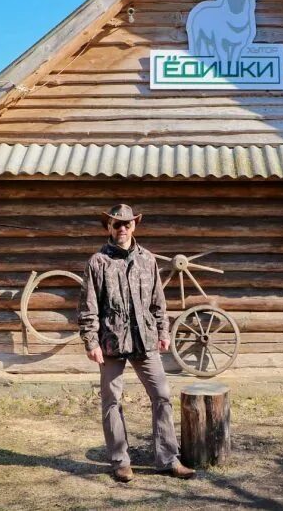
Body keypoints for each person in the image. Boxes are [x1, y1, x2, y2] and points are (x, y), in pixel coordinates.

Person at [78, 204, 196, 483]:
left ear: (134, 226)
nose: (122, 229)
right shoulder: (97, 262)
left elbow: (158, 302)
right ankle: (120, 461)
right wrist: (90, 341)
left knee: (162, 395)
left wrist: (163, 331)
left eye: (126, 224)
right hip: (110, 343)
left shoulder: (148, 259)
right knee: (111, 402)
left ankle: (168, 459)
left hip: (146, 341)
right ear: (109, 227)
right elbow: (87, 306)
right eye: (116, 224)